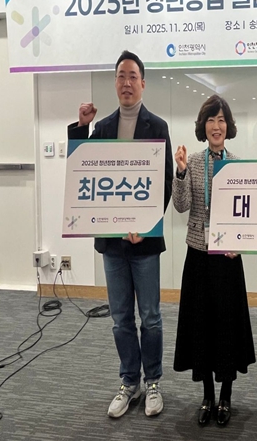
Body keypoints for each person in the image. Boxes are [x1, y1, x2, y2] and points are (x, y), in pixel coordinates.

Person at [68, 50, 173, 419]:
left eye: (132, 76)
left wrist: (145, 225)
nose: (126, 82)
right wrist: (81, 127)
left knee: (151, 316)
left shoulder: (157, 127)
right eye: (120, 76)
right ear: (115, 82)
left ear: (143, 83)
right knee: (120, 319)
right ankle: (130, 382)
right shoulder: (102, 127)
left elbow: (164, 183)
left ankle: (153, 381)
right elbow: (82, 170)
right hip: (112, 243)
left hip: (144, 242)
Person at [172, 95, 255, 427]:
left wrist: (242, 242)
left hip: (227, 259)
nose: (216, 126)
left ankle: (226, 397)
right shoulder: (193, 161)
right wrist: (180, 173)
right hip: (198, 256)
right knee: (201, 327)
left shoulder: (237, 164)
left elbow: (245, 213)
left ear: (228, 125)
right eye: (210, 120)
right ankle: (207, 395)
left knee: (227, 328)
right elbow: (181, 206)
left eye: (221, 120)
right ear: (203, 126)